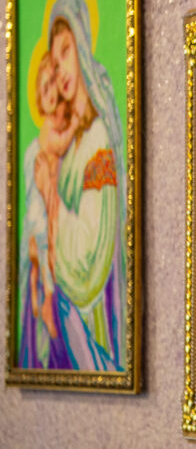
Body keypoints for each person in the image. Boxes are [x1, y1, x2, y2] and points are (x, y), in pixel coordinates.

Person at [19, 0, 126, 372]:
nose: (61, 69)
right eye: (54, 59)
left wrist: (50, 191)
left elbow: (87, 260)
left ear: (82, 43)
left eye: (66, 51)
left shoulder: (97, 139)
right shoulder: (65, 142)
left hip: (88, 331)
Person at [26, 50, 81, 343]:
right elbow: (59, 145)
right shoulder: (48, 129)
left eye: (53, 85)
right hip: (44, 203)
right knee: (47, 249)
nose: (50, 93)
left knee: (47, 253)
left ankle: (43, 299)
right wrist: (74, 127)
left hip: (51, 198)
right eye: (44, 87)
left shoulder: (57, 117)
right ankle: (45, 301)